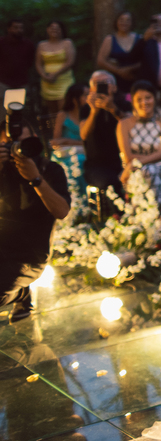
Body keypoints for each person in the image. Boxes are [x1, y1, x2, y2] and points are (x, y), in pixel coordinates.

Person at [1, 114, 70, 322]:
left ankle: (19, 293)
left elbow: (62, 211)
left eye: (22, 143)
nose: (16, 149)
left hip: (29, 255)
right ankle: (19, 293)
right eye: (9, 144)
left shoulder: (50, 170)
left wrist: (36, 179)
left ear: (34, 139)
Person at [118, 80, 161, 210]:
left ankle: (152, 212)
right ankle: (153, 212)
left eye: (148, 98)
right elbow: (127, 156)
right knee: (144, 172)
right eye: (139, 99)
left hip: (160, 170)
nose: (144, 102)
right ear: (133, 102)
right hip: (133, 170)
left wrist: (137, 163)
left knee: (149, 171)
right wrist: (133, 164)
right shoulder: (124, 124)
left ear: (155, 99)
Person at [79, 71, 125, 215]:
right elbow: (84, 134)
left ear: (115, 88)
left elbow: (130, 126)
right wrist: (94, 111)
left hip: (123, 160)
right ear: (91, 89)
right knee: (109, 182)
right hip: (97, 164)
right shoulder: (86, 108)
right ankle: (115, 217)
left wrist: (112, 109)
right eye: (98, 84)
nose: (103, 87)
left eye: (106, 83)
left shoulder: (123, 104)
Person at [49, 83, 87, 200]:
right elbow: (55, 141)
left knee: (80, 161)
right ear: (75, 99)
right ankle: (70, 198)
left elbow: (88, 143)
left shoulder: (89, 115)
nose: (89, 97)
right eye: (85, 95)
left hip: (84, 152)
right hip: (65, 154)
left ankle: (83, 200)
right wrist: (67, 142)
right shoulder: (63, 115)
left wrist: (67, 141)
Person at [95, 11, 143, 98]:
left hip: (134, 79)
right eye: (121, 20)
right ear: (116, 22)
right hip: (113, 81)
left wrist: (128, 69)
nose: (124, 23)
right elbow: (100, 61)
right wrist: (119, 71)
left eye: (128, 20)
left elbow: (145, 60)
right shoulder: (109, 39)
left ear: (132, 23)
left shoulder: (139, 38)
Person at [36, 20, 75, 116]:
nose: (55, 30)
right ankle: (54, 130)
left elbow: (70, 62)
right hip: (47, 81)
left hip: (64, 80)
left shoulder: (67, 43)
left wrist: (55, 74)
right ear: (47, 30)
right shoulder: (41, 45)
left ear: (62, 30)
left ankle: (65, 130)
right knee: (51, 111)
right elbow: (38, 63)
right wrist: (44, 76)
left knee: (64, 109)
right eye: (52, 28)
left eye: (57, 28)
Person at [0, 20, 37, 94]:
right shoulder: (1, 42)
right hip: (3, 81)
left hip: (22, 82)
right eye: (15, 28)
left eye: (21, 28)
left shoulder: (28, 44)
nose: (19, 30)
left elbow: (31, 61)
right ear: (9, 29)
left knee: (20, 104)